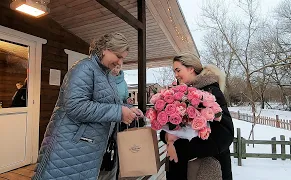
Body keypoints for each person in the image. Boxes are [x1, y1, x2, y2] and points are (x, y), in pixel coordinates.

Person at [32, 32, 143, 180]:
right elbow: (76, 106)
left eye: (123, 58)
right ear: (105, 49)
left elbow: (108, 104)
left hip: (88, 147)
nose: (120, 62)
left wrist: (128, 109)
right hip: (70, 147)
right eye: (118, 56)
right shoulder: (84, 68)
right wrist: (118, 112)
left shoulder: (106, 74)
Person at [160, 52, 234, 180]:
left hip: (205, 167)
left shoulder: (210, 92)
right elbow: (169, 124)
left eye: (178, 70)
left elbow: (225, 133)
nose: (176, 75)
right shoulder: (178, 94)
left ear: (190, 68)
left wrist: (183, 148)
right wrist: (167, 137)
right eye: (174, 71)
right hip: (181, 166)